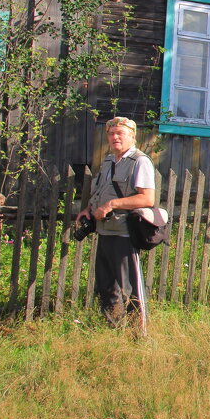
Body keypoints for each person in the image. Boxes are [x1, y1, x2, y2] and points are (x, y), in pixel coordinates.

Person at [77, 116, 156, 328]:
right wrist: (89, 209)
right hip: (105, 231)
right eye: (111, 134)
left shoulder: (140, 161)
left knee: (130, 287)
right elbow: (100, 191)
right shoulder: (109, 161)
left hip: (125, 234)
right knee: (107, 286)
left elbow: (147, 198)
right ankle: (112, 328)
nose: (115, 137)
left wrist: (111, 205)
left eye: (120, 133)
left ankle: (138, 333)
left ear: (132, 136)